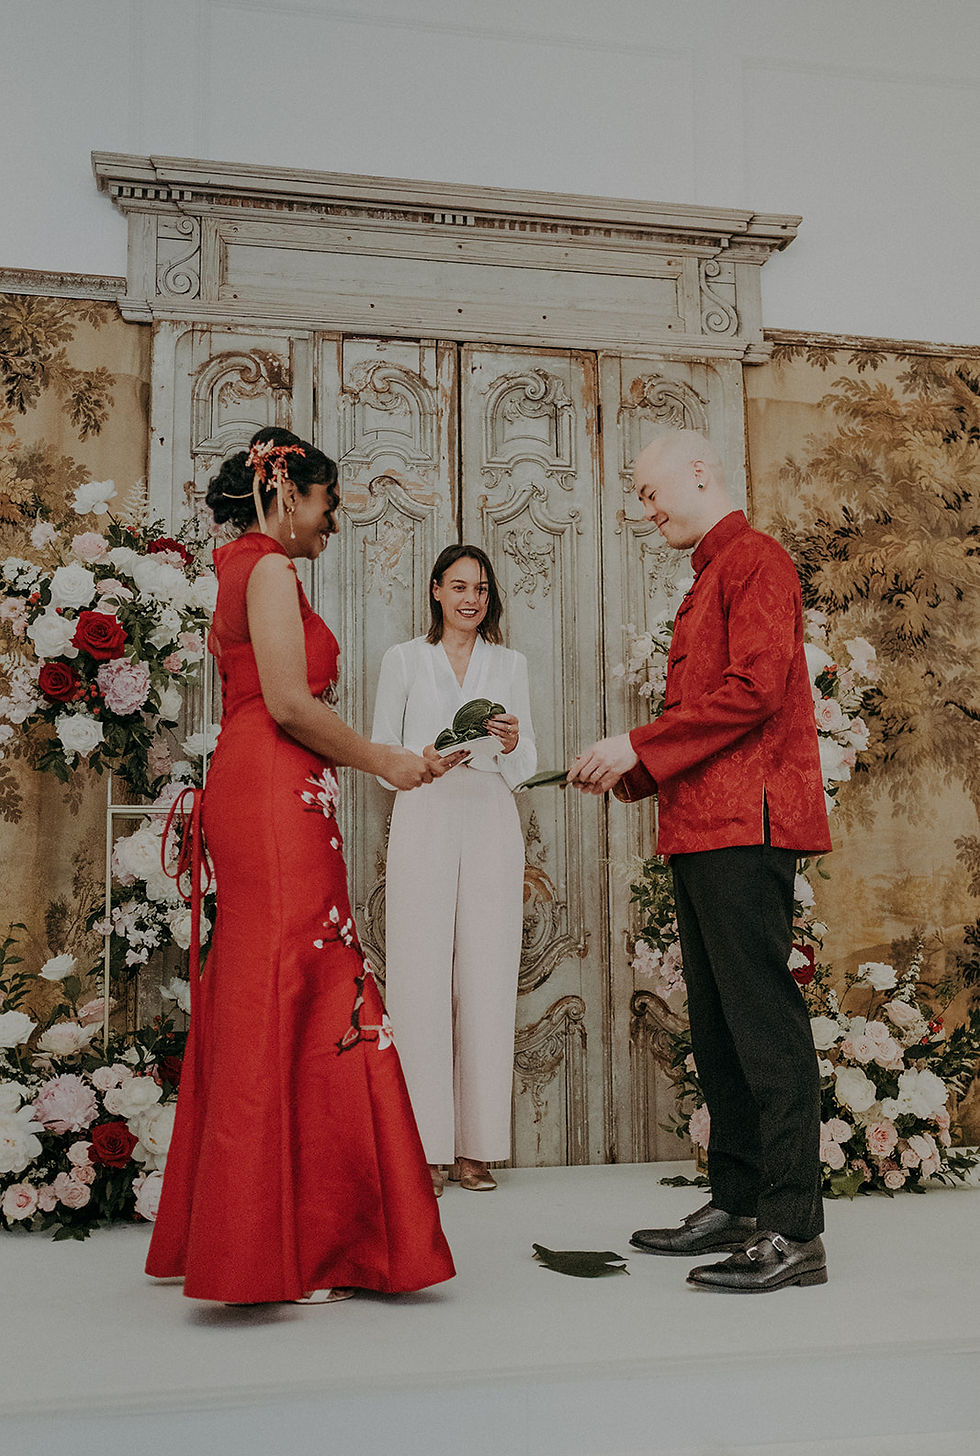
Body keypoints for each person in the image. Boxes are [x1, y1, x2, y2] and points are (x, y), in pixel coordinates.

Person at [145, 427, 455, 1304]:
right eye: (326, 504)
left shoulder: (235, 565)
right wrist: (386, 759)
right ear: (286, 495)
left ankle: (267, 1231)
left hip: (259, 784)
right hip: (275, 786)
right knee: (304, 977)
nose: (332, 522)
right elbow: (287, 701)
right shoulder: (272, 570)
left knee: (277, 983)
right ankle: (307, 1242)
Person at [567, 429, 832, 1293]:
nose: (647, 511)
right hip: (702, 825)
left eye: (652, 492)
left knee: (763, 1027)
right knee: (719, 1031)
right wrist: (631, 766)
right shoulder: (713, 573)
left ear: (699, 472)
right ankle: (740, 1200)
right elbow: (714, 714)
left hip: (745, 830)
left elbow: (755, 692)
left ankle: (793, 1231)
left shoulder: (757, 559)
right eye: (640, 499)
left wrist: (636, 742)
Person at [371, 545, 536, 1194]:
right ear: (436, 590)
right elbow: (384, 748)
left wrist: (514, 743)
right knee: (417, 975)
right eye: (459, 586)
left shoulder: (510, 664)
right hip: (423, 813)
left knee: (488, 975)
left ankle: (477, 1148)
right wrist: (429, 755)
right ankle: (424, 1145)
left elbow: (524, 767)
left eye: (482, 589)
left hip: (491, 816)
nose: (472, 598)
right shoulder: (403, 660)